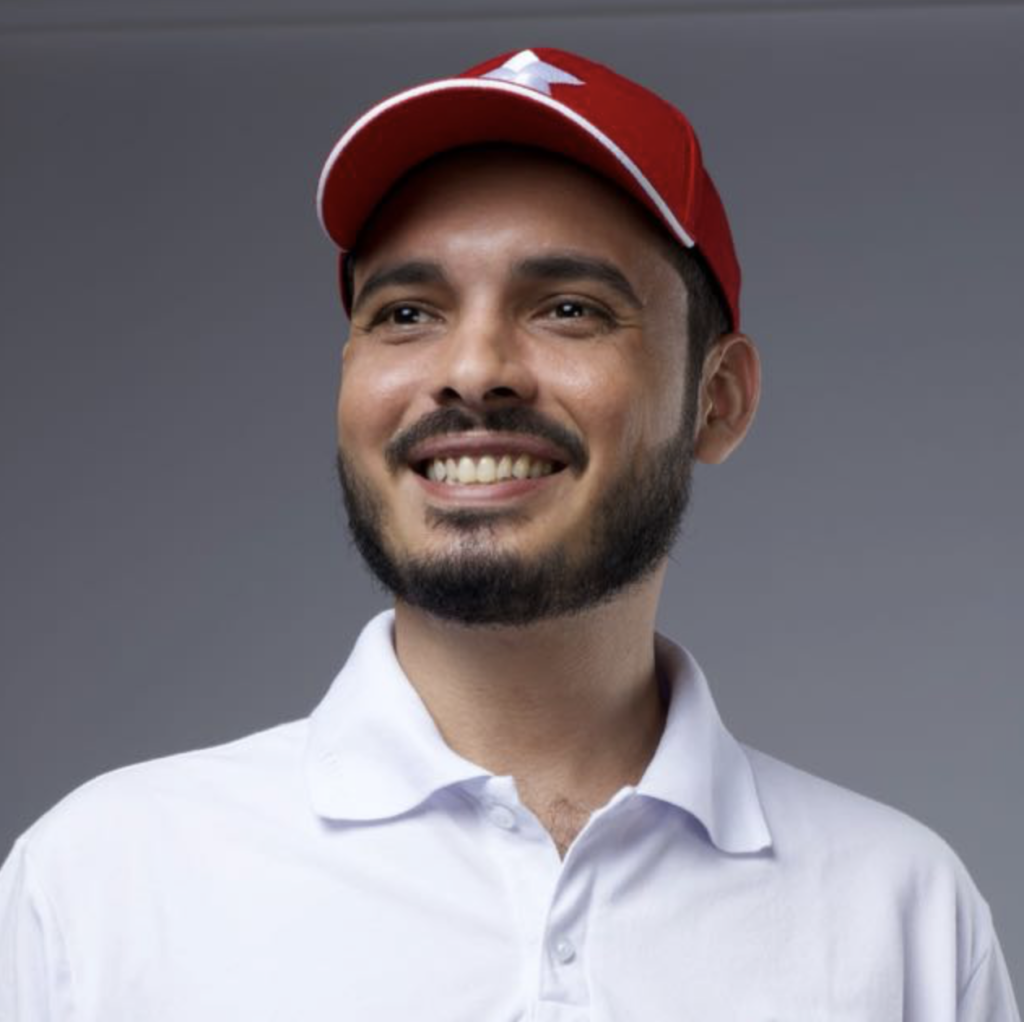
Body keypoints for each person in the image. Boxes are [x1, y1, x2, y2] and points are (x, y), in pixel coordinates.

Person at [0, 46, 1018, 1021]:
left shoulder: (899, 914)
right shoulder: (99, 886)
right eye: (407, 313)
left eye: (567, 308)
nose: (474, 369)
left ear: (718, 399)